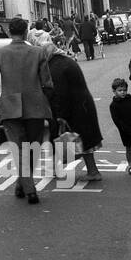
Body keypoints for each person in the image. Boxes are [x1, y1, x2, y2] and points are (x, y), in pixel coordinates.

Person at [0, 17, 54, 204]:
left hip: (10, 106)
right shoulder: (38, 52)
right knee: (33, 148)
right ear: (25, 33)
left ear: (9, 32)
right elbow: (47, 83)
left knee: (20, 150)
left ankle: (23, 185)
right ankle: (30, 189)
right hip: (36, 107)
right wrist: (43, 98)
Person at [47, 37, 103, 181]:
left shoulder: (55, 66)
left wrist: (60, 115)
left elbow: (60, 93)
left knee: (71, 139)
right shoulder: (63, 60)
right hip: (82, 104)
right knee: (82, 140)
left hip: (76, 107)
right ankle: (92, 170)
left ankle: (59, 170)